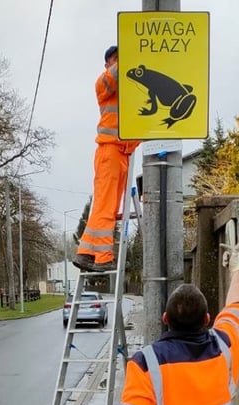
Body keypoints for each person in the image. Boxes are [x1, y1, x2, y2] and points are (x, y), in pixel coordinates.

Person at [106, 241, 239, 405]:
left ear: (164, 318)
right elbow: (235, 304)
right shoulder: (226, 345)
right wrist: (236, 269)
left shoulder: (146, 365)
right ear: (207, 319)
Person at [72, 45, 141, 273]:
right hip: (109, 151)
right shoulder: (104, 82)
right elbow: (114, 77)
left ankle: (86, 253)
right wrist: (130, 57)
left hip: (122, 154)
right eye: (116, 59)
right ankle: (102, 257)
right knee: (105, 205)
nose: (120, 61)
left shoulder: (129, 89)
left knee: (107, 207)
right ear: (108, 64)